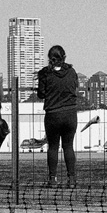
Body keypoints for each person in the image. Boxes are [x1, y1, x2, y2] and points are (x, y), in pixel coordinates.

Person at [36, 45, 79, 188]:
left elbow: (41, 94)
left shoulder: (45, 73)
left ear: (49, 59)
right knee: (68, 146)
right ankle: (71, 179)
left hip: (53, 114)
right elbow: (74, 87)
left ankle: (52, 178)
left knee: (53, 147)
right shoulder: (71, 72)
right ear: (64, 57)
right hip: (70, 113)